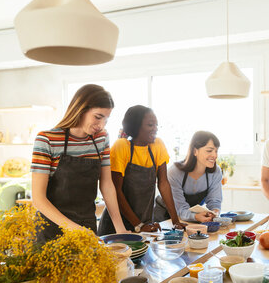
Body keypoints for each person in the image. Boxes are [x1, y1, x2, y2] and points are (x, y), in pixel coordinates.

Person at [31, 84, 128, 242]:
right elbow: (38, 199)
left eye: (106, 119)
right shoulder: (47, 139)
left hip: (87, 226)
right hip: (51, 230)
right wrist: (75, 230)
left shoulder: (101, 138)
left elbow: (107, 185)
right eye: (98, 117)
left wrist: (120, 229)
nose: (101, 125)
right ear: (80, 109)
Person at [98, 105, 184, 234]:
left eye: (156, 125)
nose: (155, 129)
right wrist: (138, 225)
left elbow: (164, 184)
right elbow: (116, 191)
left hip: (144, 223)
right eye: (150, 125)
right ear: (136, 126)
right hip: (117, 226)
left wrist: (175, 221)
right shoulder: (121, 146)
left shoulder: (157, 145)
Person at [154, 131, 222, 222]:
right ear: (195, 151)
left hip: (187, 217)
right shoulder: (175, 172)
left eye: (216, 151)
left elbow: (214, 202)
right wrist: (196, 217)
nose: (215, 155)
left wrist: (214, 213)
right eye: (209, 150)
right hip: (164, 216)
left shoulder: (216, 172)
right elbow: (180, 208)